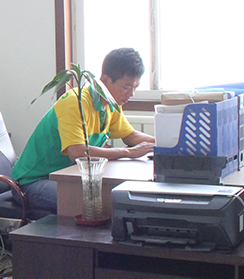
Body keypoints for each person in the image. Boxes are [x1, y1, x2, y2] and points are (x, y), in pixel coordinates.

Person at [13, 48, 155, 214]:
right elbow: (78, 153)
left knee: (119, 197)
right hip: (33, 182)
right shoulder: (75, 102)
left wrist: (168, 144)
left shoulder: (111, 104)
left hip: (69, 177)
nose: (131, 94)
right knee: (101, 204)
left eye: (135, 87)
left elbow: (130, 136)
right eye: (126, 87)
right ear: (105, 80)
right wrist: (129, 153)